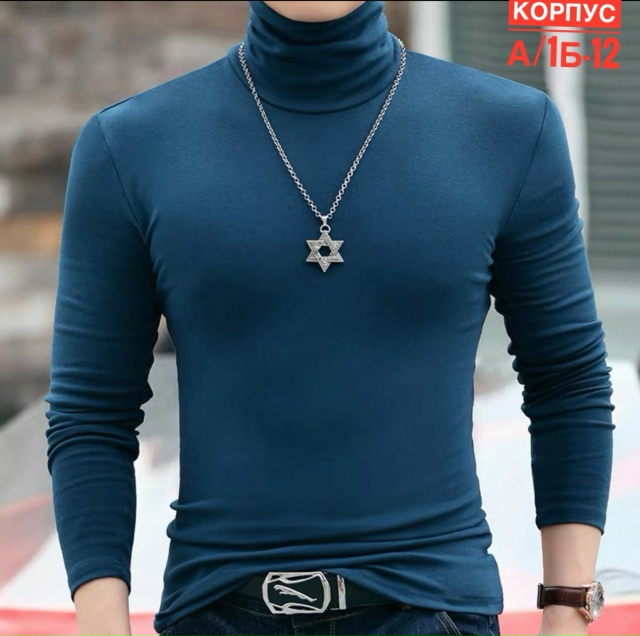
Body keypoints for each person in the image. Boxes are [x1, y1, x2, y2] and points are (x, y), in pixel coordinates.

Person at [44, 1, 615, 635]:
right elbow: (91, 413)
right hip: (216, 613)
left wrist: (568, 611)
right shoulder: (131, 144)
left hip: (433, 614)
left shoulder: (507, 129)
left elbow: (567, 379)